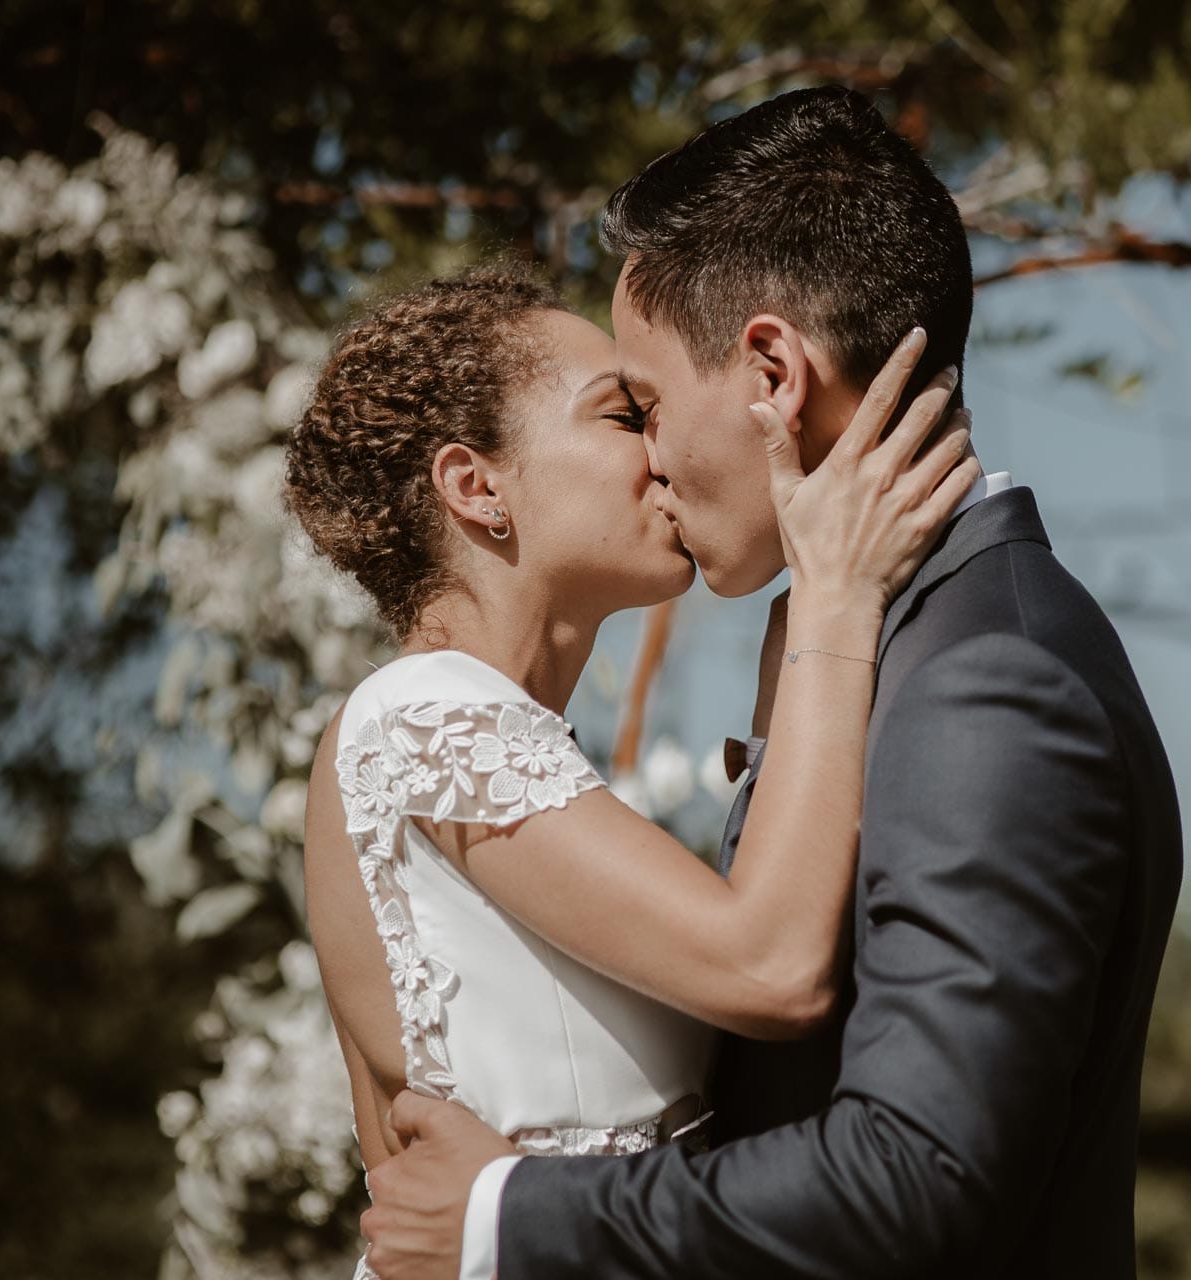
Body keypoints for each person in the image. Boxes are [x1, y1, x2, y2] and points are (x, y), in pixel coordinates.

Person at [360, 86, 1184, 1279]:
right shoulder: (895, 643)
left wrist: (510, 1213)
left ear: (771, 375)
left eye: (644, 403)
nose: (645, 455)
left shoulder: (983, 679)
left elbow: (916, 1174)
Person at [284, 260, 979, 1278]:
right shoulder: (423, 715)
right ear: (476, 486)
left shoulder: (449, 735)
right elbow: (771, 966)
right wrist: (836, 600)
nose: (663, 450)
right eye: (623, 413)